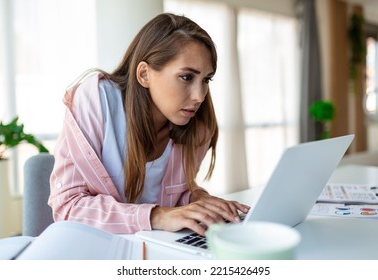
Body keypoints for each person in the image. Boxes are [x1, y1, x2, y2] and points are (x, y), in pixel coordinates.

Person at [48, 12, 249, 236]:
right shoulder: (96, 101)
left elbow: (172, 195)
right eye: (186, 77)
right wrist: (156, 216)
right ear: (144, 74)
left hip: (153, 252)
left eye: (206, 80)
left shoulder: (197, 124)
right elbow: (68, 207)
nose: (200, 96)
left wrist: (198, 199)